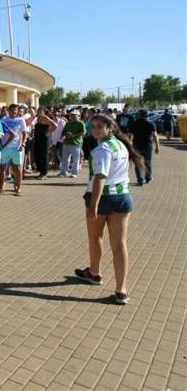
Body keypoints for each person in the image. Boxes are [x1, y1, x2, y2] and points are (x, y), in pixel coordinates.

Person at [75, 114, 143, 305]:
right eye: (93, 126)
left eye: (99, 126)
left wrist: (93, 205)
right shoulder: (121, 144)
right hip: (123, 197)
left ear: (110, 128)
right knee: (119, 243)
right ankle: (121, 289)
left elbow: (100, 177)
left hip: (104, 199)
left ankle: (95, 273)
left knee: (96, 237)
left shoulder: (102, 150)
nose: (94, 130)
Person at [0, 104, 26, 196]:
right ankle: (1, 186)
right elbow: (0, 133)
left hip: (16, 148)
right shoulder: (3, 120)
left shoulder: (21, 120)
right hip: (5, 148)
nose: (14, 112)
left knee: (18, 169)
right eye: (13, 110)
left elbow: (24, 133)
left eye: (16, 110)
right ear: (9, 110)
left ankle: (18, 188)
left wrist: (22, 144)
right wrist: (1, 145)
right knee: (2, 168)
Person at [129, 109, 160, 185]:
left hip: (136, 145)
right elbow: (155, 136)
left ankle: (140, 180)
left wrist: (129, 145)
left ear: (139, 115)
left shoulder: (134, 123)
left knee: (137, 163)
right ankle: (148, 178)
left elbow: (130, 136)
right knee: (148, 162)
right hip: (147, 146)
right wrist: (157, 146)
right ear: (147, 115)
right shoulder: (151, 123)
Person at [59, 110, 86, 178]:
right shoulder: (68, 123)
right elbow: (64, 131)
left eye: (74, 115)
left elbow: (83, 133)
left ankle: (74, 173)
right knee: (65, 159)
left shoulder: (80, 123)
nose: (72, 116)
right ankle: (63, 172)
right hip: (66, 142)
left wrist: (73, 135)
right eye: (71, 115)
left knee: (75, 159)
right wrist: (62, 136)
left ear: (78, 116)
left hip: (76, 143)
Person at [33, 108, 57, 180]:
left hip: (44, 139)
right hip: (37, 139)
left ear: (43, 112)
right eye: (38, 111)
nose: (39, 112)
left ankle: (44, 173)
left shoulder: (45, 118)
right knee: (37, 155)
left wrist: (48, 133)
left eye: (40, 111)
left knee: (44, 156)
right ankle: (40, 172)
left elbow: (55, 125)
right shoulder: (37, 119)